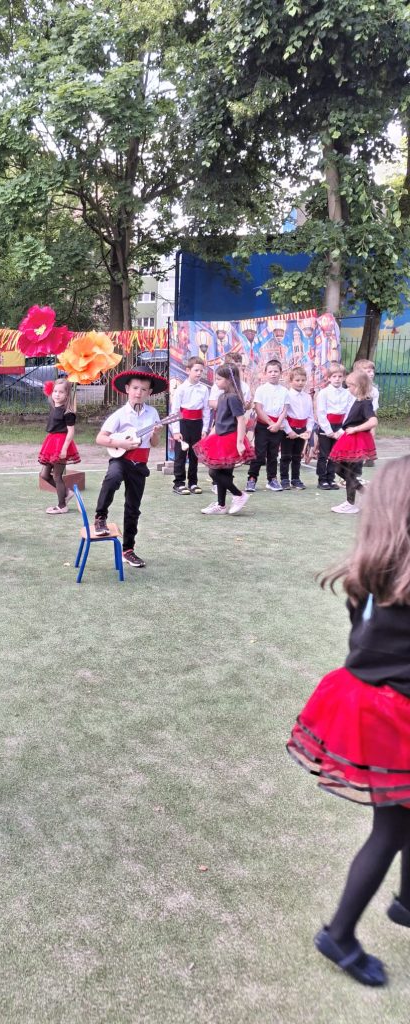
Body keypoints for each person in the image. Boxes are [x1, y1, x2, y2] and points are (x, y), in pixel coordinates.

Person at [287, 456, 410, 987]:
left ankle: (407, 902)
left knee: (404, 812)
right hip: (395, 711)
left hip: (370, 701)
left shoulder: (370, 574)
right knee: (391, 828)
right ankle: (339, 935)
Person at [93, 365, 168, 568]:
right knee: (112, 478)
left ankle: (128, 550)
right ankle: (100, 516)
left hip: (140, 463)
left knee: (133, 507)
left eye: (143, 389)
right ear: (127, 389)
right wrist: (121, 443)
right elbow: (100, 438)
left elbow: (154, 444)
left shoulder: (153, 413)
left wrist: (156, 433)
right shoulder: (120, 414)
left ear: (149, 392)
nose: (138, 393)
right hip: (121, 458)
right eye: (135, 388)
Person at [194, 363, 254, 515]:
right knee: (222, 473)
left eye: (219, 379)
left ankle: (239, 495)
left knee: (214, 473)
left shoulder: (233, 398)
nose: (216, 382)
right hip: (219, 437)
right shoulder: (222, 397)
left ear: (229, 380)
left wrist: (239, 442)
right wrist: (210, 435)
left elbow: (241, 420)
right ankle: (221, 505)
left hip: (230, 439)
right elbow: (219, 420)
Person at [328, 370, 378, 515]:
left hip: (357, 442)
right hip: (349, 440)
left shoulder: (366, 403)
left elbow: (373, 421)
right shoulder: (358, 401)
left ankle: (350, 503)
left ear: (359, 386)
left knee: (350, 473)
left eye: (350, 386)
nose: (348, 388)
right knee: (339, 469)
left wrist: (355, 429)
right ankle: (365, 493)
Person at [38, 377, 80, 514]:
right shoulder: (54, 407)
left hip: (61, 445)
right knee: (44, 475)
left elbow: (71, 432)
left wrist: (64, 449)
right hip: (51, 443)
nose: (57, 394)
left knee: (57, 476)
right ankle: (66, 493)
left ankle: (62, 506)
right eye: (55, 391)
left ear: (67, 395)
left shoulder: (68, 412)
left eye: (61, 392)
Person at [245, 359, 288, 492]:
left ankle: (272, 479)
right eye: (270, 371)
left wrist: (278, 424)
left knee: (273, 454)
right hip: (263, 426)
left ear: (280, 373)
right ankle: (252, 478)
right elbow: (258, 408)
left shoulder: (284, 391)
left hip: (278, 427)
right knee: (259, 454)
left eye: (276, 371)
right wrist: (271, 423)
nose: (273, 374)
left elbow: (285, 409)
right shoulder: (261, 389)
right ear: (265, 373)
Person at [171, 357, 211, 495]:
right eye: (196, 370)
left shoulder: (204, 389)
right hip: (183, 423)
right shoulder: (181, 389)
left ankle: (193, 482)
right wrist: (176, 431)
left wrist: (204, 429)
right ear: (188, 370)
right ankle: (179, 483)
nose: (199, 373)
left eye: (201, 371)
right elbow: (175, 411)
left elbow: (206, 410)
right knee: (181, 454)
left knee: (195, 455)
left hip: (197, 424)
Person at [316, 363, 351, 490]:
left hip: (340, 427)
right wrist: (329, 431)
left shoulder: (348, 393)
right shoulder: (323, 393)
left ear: (344, 378)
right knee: (324, 455)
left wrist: (341, 431)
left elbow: (348, 413)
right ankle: (322, 480)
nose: (337, 379)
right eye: (334, 376)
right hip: (327, 426)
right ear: (329, 378)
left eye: (340, 376)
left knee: (335, 455)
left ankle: (331, 479)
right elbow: (321, 413)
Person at [280, 367, 315, 490]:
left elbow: (310, 415)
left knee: (297, 456)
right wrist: (289, 431)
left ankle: (295, 479)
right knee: (286, 456)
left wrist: (308, 430)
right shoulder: (287, 395)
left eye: (303, 380)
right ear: (291, 381)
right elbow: (283, 415)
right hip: (289, 430)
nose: (300, 383)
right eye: (297, 380)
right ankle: (284, 479)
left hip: (303, 430)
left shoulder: (307, 397)